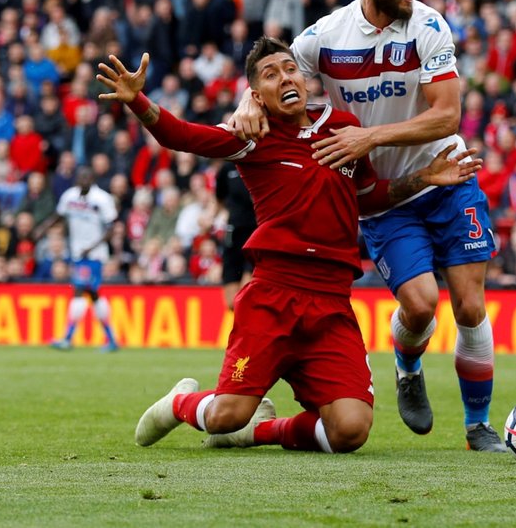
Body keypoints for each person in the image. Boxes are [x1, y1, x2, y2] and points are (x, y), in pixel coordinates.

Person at [96, 40, 481, 454]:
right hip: (273, 297)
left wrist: (424, 177)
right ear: (257, 96)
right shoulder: (253, 135)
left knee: (350, 430)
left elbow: (367, 196)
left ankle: (261, 432)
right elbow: (182, 136)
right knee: (228, 413)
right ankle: (179, 403)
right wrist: (138, 101)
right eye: (271, 74)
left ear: (305, 77)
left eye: (290, 69)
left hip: (331, 302)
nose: (285, 77)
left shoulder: (344, 126)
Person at [227, 0, 504, 451]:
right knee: (421, 306)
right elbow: (276, 74)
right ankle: (406, 364)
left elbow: (447, 115)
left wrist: (369, 136)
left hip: (444, 174)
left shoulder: (428, 27)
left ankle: (477, 426)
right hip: (384, 196)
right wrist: (246, 99)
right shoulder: (326, 37)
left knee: (469, 305)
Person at [38, 166, 121, 352]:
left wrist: (92, 247)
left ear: (92, 179)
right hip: (77, 253)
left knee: (79, 290)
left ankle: (67, 338)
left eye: (86, 178)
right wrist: (42, 228)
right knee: (93, 294)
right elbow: (59, 215)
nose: (83, 181)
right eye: (80, 178)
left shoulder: (102, 199)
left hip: (94, 255)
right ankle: (111, 339)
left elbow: (111, 228)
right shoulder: (70, 196)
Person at [215, 159, 257, 312]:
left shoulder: (259, 164)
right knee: (231, 303)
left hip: (255, 234)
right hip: (233, 236)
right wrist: (213, 217)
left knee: (245, 297)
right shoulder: (227, 168)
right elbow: (219, 197)